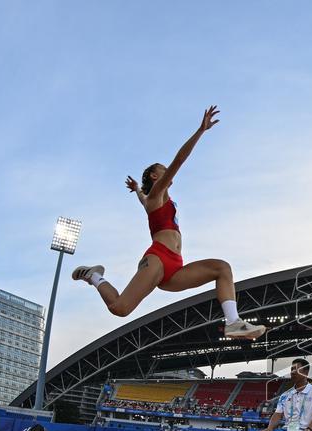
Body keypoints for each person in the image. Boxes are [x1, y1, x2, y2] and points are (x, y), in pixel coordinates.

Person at [71, 105, 265, 340]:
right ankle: (94, 275)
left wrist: (136, 189)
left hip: (176, 266)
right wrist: (200, 131)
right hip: (158, 258)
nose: (168, 171)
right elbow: (179, 160)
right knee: (120, 308)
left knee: (222, 268)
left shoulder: (153, 199)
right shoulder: (156, 196)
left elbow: (142, 198)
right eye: (163, 170)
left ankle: (233, 322)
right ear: (155, 176)